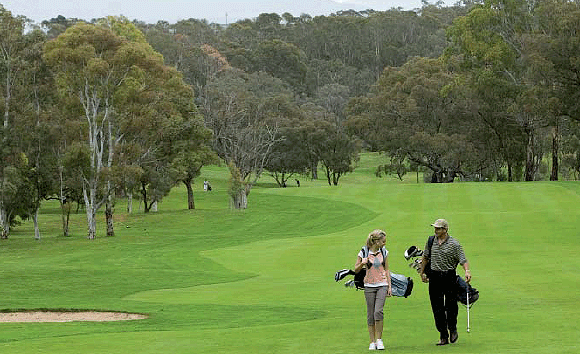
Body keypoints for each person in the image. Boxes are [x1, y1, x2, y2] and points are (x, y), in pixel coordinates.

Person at [419, 219, 471, 346]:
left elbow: (463, 260)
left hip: (449, 277)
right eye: (435, 228)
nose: (436, 231)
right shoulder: (431, 241)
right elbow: (425, 257)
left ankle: (452, 328)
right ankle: (443, 335)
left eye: (438, 228)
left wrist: (467, 271)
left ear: (445, 230)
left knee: (451, 306)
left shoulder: (454, 244)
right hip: (435, 277)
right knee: (437, 308)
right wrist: (422, 272)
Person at [354, 229, 392, 350]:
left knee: (378, 311)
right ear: (376, 241)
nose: (384, 243)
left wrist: (389, 286)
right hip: (369, 285)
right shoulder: (364, 251)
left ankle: (379, 340)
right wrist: (362, 263)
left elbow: (387, 270)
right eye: (383, 241)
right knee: (370, 314)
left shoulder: (384, 251)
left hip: (382, 284)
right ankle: (372, 341)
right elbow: (356, 269)